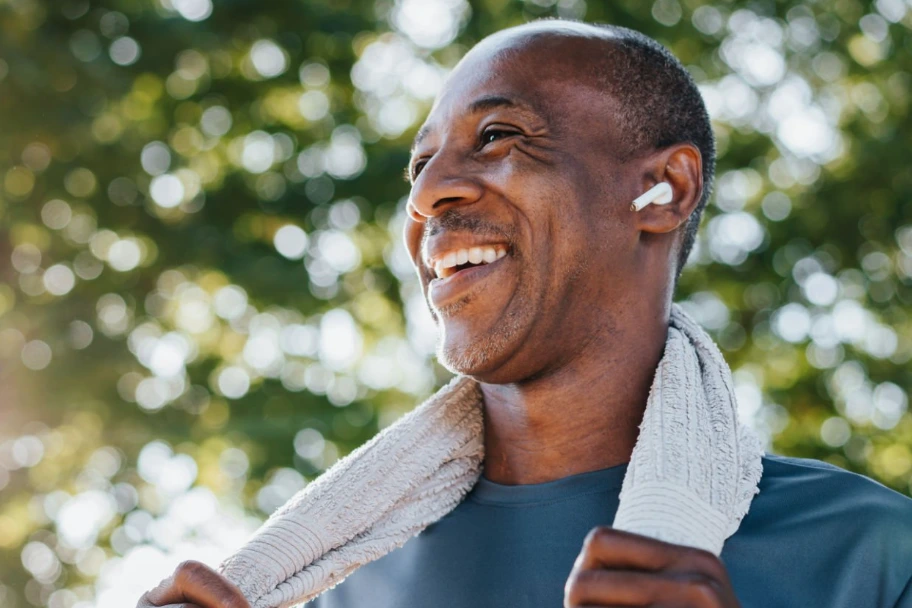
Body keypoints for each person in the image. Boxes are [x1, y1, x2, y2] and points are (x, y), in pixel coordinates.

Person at [138, 19, 912, 608]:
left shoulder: (871, 554)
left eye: (498, 135)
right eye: (419, 164)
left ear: (664, 191)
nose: (426, 193)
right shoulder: (338, 582)